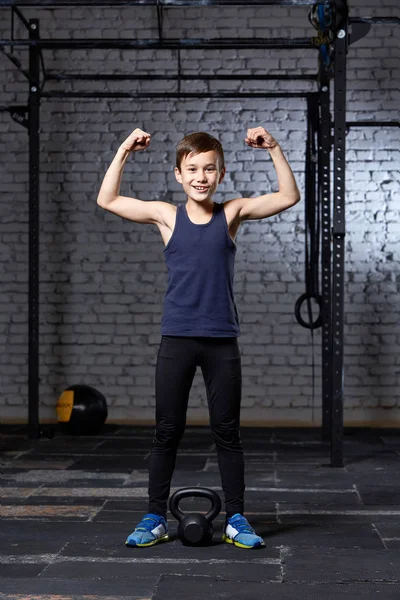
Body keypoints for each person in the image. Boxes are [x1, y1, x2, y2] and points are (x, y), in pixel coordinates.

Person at [97, 126, 300, 549]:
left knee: (227, 431)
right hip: (177, 340)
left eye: (209, 169)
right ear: (178, 174)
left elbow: (287, 197)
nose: (201, 177)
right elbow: (108, 200)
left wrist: (274, 148)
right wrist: (123, 151)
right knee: (166, 430)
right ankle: (154, 516)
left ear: (221, 175)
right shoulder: (167, 216)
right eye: (192, 169)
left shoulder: (232, 213)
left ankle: (236, 518)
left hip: (221, 341)